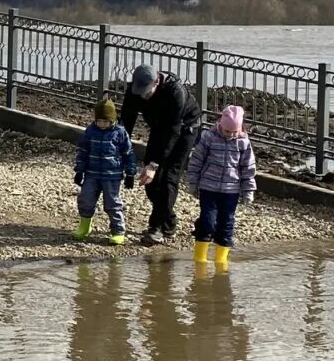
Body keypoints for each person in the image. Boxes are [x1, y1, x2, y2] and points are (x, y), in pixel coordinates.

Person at [118, 64, 198, 245]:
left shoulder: (175, 92)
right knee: (150, 182)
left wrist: (154, 164)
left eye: (146, 92)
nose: (143, 96)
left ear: (156, 83)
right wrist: (120, 151)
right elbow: (126, 121)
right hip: (158, 127)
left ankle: (156, 228)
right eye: (140, 92)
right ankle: (168, 221)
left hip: (185, 128)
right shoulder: (134, 90)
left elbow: (173, 131)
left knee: (168, 177)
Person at [186, 103, 257, 269]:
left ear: (240, 128)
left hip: (231, 190)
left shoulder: (243, 143)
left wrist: (249, 190)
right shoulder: (209, 138)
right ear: (220, 125)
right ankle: (200, 257)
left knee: (227, 223)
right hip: (208, 187)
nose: (231, 135)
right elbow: (196, 160)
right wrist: (192, 182)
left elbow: (248, 168)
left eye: (234, 132)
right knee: (207, 221)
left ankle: (221, 260)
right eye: (227, 132)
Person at [72, 96, 137, 245]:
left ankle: (118, 231)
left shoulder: (120, 133)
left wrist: (130, 173)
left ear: (112, 120)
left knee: (112, 203)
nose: (102, 124)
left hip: (112, 176)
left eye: (105, 121)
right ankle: (84, 226)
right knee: (85, 199)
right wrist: (79, 171)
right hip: (92, 174)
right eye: (99, 121)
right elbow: (83, 151)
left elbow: (129, 153)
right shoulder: (90, 131)